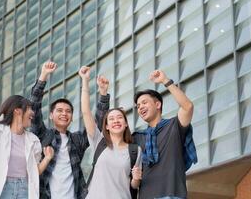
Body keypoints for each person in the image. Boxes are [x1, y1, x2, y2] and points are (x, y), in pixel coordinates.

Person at [30, 62, 110, 199]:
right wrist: (43, 76)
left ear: (72, 118)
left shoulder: (77, 140)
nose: (64, 114)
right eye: (59, 111)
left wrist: (103, 94)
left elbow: (97, 124)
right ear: (51, 115)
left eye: (68, 111)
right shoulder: (43, 135)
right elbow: (34, 107)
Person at [79, 66, 142, 199]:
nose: (116, 121)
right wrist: (85, 80)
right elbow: (86, 112)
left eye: (120, 118)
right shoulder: (99, 141)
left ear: (125, 124)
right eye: (111, 119)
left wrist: (136, 178)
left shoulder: (135, 150)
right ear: (106, 126)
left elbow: (134, 185)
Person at [133, 70, 197, 199]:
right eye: (138, 106)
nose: (140, 107)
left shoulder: (174, 126)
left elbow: (188, 107)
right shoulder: (137, 137)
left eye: (144, 103)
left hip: (173, 195)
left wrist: (165, 81)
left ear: (158, 104)